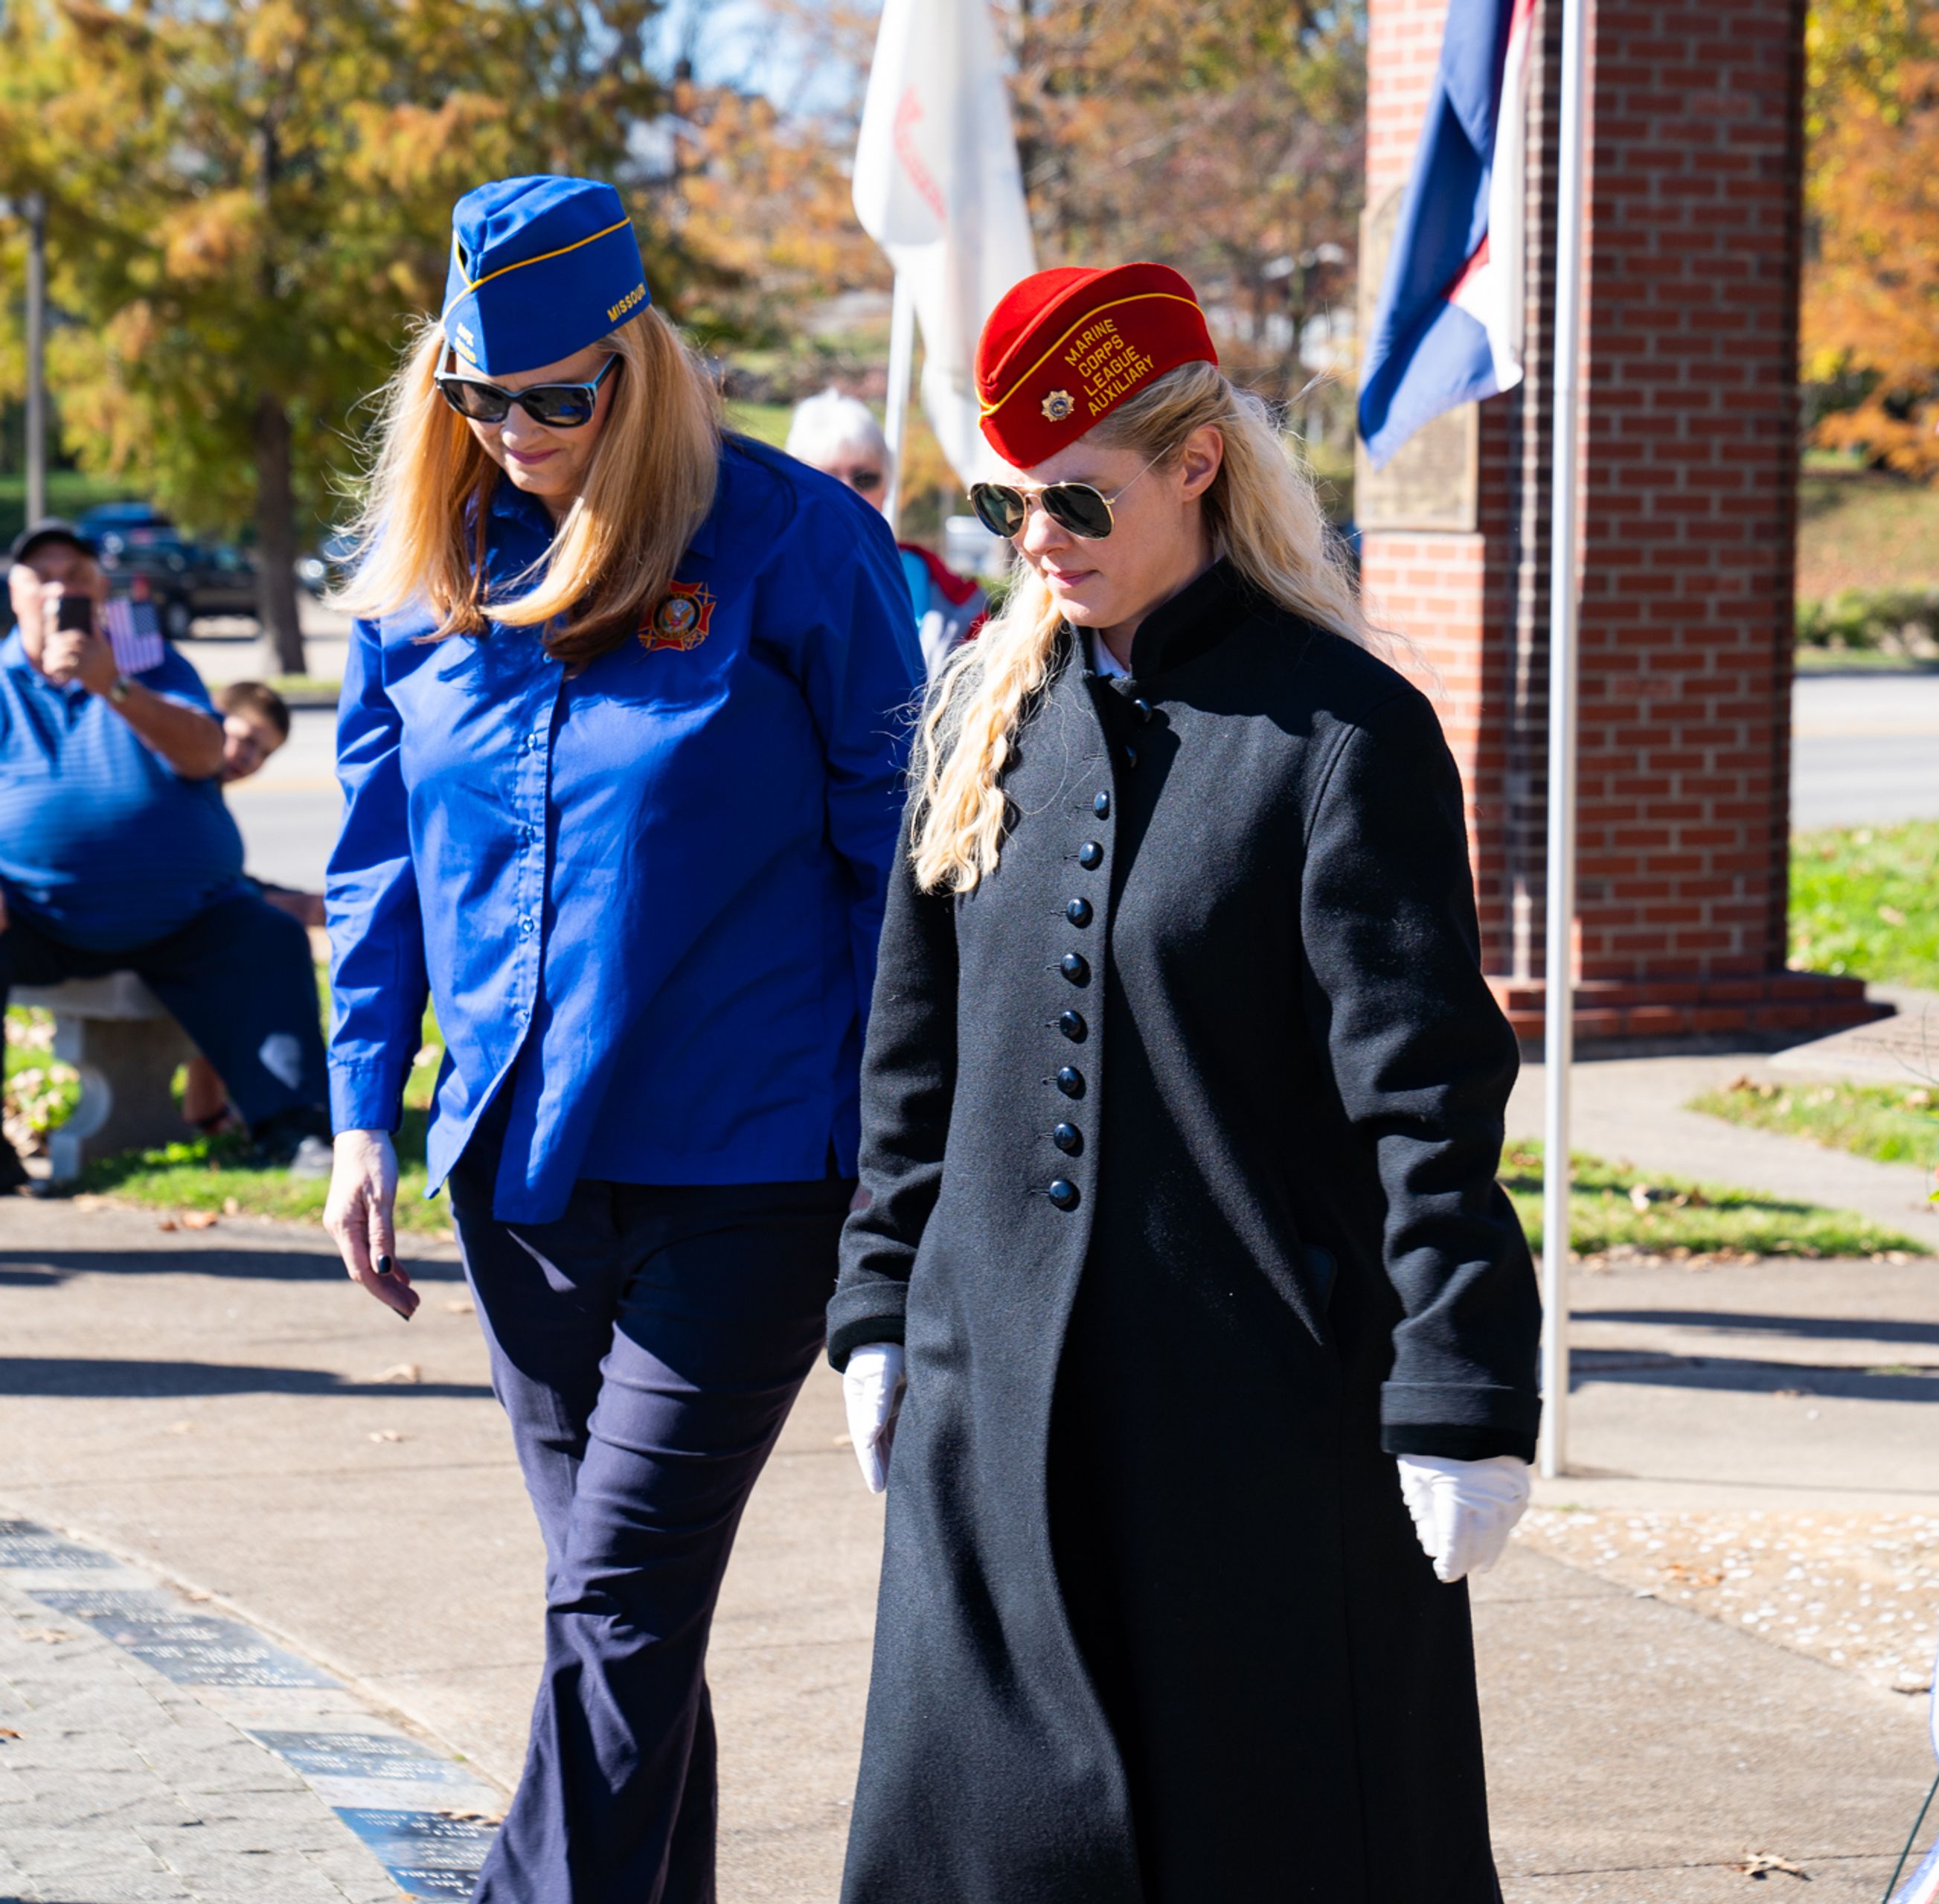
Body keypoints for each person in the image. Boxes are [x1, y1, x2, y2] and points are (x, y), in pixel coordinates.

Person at [827, 262, 1542, 1903]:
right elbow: (910, 1058)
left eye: (1077, 497)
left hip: (1259, 1439)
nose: (1039, 540)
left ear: (1200, 464)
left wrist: (1461, 1386)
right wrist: (878, 1306)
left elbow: (1427, 1099)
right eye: (1009, 502)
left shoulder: (1342, 736)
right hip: (988, 1422)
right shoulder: (978, 724)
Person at [318, 174, 921, 1904]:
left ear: (639, 365)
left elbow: (902, 867)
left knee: (617, 1603)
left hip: (749, 1174)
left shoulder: (800, 544)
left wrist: (905, 1157)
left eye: (557, 396)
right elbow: (377, 874)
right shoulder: (420, 583)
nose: (517, 432)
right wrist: (365, 1117)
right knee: (623, 1613)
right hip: (519, 1186)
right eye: (479, 396)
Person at [0, 519, 333, 1189]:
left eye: (78, 574)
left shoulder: (147, 658)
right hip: (35, 915)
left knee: (268, 936)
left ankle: (294, 1128)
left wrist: (112, 684)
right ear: (14, 592)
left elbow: (204, 752)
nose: (60, 586)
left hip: (188, 914)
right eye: (44, 574)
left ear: (101, 593)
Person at [180, 681, 324, 1135]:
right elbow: (193, 882)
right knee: (259, 940)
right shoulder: (178, 773)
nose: (248, 758)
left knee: (266, 932)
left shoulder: (206, 790)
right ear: (213, 714)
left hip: (188, 925)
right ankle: (288, 1112)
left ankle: (213, 1108)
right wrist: (287, 904)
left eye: (262, 753)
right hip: (141, 924)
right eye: (244, 738)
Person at [784, 388, 985, 675]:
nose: (849, 494)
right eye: (828, 481)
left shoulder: (946, 594)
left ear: (888, 483)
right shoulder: (767, 582)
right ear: (795, 486)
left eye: (864, 478)